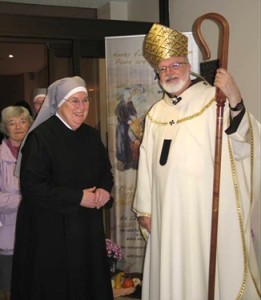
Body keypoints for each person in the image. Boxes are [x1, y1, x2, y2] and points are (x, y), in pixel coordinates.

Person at [132, 23, 261, 300]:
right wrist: (145, 209)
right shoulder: (156, 113)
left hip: (203, 214)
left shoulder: (214, 100)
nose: (169, 72)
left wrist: (236, 100)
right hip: (165, 215)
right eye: (162, 69)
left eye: (175, 65)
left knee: (202, 274)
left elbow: (244, 142)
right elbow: (146, 163)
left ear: (188, 65)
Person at [11, 76, 114, 300]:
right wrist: (78, 197)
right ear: (59, 104)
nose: (81, 107)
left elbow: (106, 172)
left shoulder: (91, 135)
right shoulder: (40, 138)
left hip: (86, 229)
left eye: (85, 100)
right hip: (51, 232)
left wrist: (105, 189)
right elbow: (32, 188)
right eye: (74, 101)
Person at [0, 106, 33, 300]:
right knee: (10, 290)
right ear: (5, 127)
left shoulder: (38, 151)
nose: (18, 126)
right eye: (12, 123)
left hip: (37, 234)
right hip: (7, 236)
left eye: (22, 121)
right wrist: (27, 200)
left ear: (30, 124)